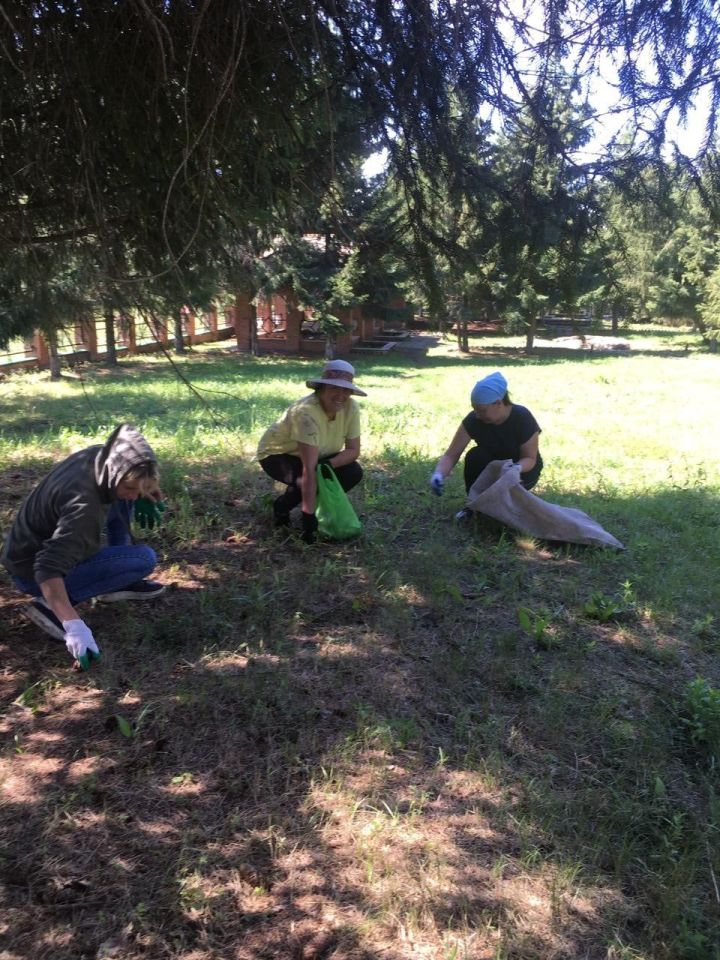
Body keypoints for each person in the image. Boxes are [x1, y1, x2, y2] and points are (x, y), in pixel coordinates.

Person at [1, 423, 166, 669]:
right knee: (144, 558)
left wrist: (146, 491)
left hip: (23, 552)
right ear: (116, 471)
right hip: (32, 572)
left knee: (120, 497)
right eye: (131, 488)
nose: (133, 495)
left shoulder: (101, 458)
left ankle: (115, 582)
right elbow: (47, 568)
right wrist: (73, 624)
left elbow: (133, 472)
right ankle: (48, 607)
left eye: (140, 489)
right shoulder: (84, 509)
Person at [257, 358, 365, 543]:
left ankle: (308, 505)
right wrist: (309, 521)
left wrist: (326, 466)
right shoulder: (306, 412)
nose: (341, 395)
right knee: (310, 479)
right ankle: (282, 507)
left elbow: (353, 451)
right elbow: (309, 470)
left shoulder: (351, 407)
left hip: (319, 456)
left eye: (346, 389)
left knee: (352, 472)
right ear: (321, 389)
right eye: (334, 388)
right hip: (278, 455)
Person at [429, 371, 543, 516]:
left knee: (506, 510)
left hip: (522, 472)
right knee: (475, 455)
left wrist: (514, 469)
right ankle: (473, 505)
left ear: (498, 403)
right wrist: (438, 474)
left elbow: (530, 458)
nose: (477, 415)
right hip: (492, 467)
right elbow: (451, 454)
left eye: (482, 410)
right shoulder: (475, 420)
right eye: (474, 409)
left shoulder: (522, 417)